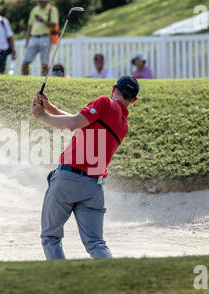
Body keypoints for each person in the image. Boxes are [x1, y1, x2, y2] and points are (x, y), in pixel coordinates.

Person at [30, 76, 139, 260]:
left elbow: (74, 124)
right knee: (96, 244)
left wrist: (41, 115)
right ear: (133, 100)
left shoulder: (105, 102)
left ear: (114, 88)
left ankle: (63, 283)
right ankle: (115, 280)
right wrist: (51, 109)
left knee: (50, 237)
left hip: (67, 180)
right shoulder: (123, 124)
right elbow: (82, 122)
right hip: (93, 188)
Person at [22, 0, 59, 76]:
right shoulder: (34, 9)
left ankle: (42, 82)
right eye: (39, 1)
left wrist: (43, 20)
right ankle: (25, 80)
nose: (40, 2)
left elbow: (54, 24)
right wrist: (27, 40)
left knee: (44, 64)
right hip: (34, 37)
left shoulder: (52, 9)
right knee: (25, 62)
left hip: (45, 37)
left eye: (42, 1)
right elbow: (30, 26)